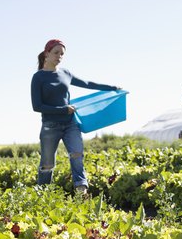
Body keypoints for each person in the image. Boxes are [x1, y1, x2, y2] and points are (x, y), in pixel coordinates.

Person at [30, 39, 119, 194]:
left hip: (70, 124)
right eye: (56, 53)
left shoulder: (65, 73)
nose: (59, 56)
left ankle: (81, 190)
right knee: (47, 164)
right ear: (47, 54)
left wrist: (110, 88)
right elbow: (37, 106)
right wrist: (63, 109)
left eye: (62, 54)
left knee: (77, 155)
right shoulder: (38, 77)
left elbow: (87, 83)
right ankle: (43, 195)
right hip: (50, 126)